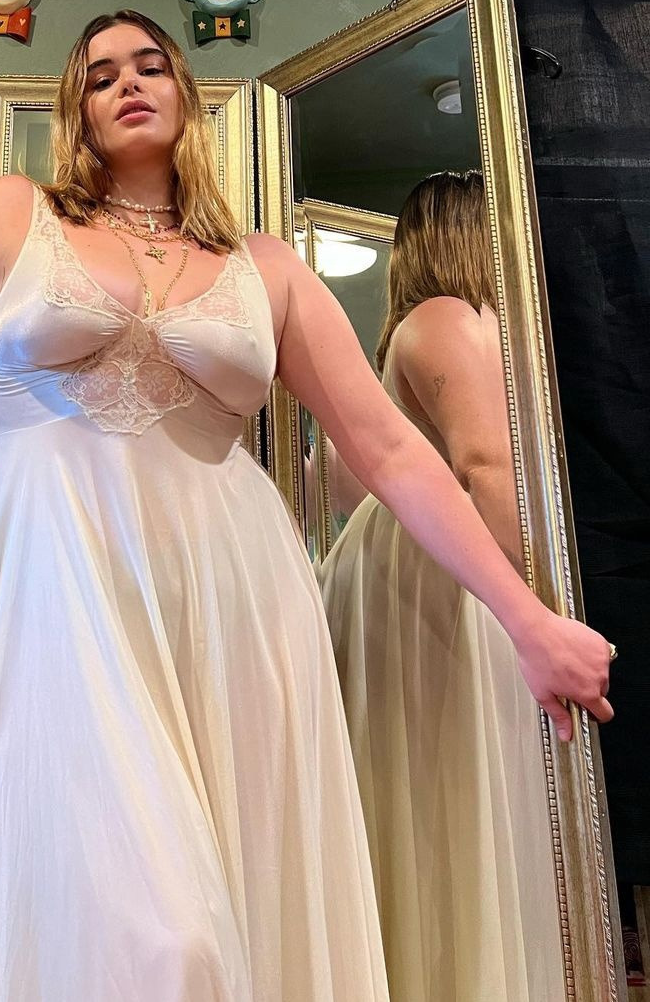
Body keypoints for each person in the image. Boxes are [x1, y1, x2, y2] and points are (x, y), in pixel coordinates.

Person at [0, 15, 612, 1002]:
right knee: (156, 935)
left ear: (187, 97)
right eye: (98, 74)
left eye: (150, 65)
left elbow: (389, 451)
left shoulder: (267, 266)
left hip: (231, 605)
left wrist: (527, 618)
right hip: (53, 586)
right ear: (75, 111)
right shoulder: (8, 217)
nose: (127, 81)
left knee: (230, 911)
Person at [319, 170, 568, 1001]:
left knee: (428, 799)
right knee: (449, 798)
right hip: (446, 576)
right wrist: (540, 607)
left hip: (408, 569)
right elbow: (487, 465)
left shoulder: (411, 335)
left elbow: (344, 490)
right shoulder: (448, 322)